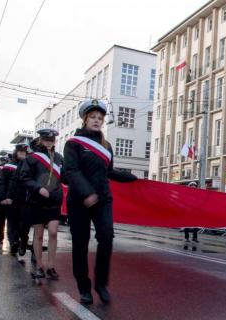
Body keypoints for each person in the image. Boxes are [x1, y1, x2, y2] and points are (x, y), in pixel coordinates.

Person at [64, 99, 138, 304]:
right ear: (85, 119)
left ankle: (101, 284)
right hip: (79, 200)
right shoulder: (73, 143)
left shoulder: (106, 146)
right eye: (93, 117)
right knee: (81, 243)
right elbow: (71, 171)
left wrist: (131, 177)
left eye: (100, 118)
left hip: (103, 198)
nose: (97, 121)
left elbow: (110, 171)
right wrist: (87, 193)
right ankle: (84, 287)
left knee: (106, 238)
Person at [20, 129, 64, 282]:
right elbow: (24, 177)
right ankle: (39, 266)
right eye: (46, 139)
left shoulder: (59, 158)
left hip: (54, 200)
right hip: (37, 201)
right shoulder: (32, 158)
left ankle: (51, 266)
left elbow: (64, 177)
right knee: (38, 235)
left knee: (53, 233)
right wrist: (38, 188)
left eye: (51, 140)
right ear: (40, 140)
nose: (49, 142)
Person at [0, 143, 29, 254]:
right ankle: (14, 243)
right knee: (12, 222)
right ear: (16, 153)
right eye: (20, 152)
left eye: (24, 152)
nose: (22, 154)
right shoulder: (8, 167)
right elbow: (2, 183)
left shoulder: (29, 166)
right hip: (11, 199)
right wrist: (3, 197)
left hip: (25, 200)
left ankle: (23, 242)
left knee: (24, 224)